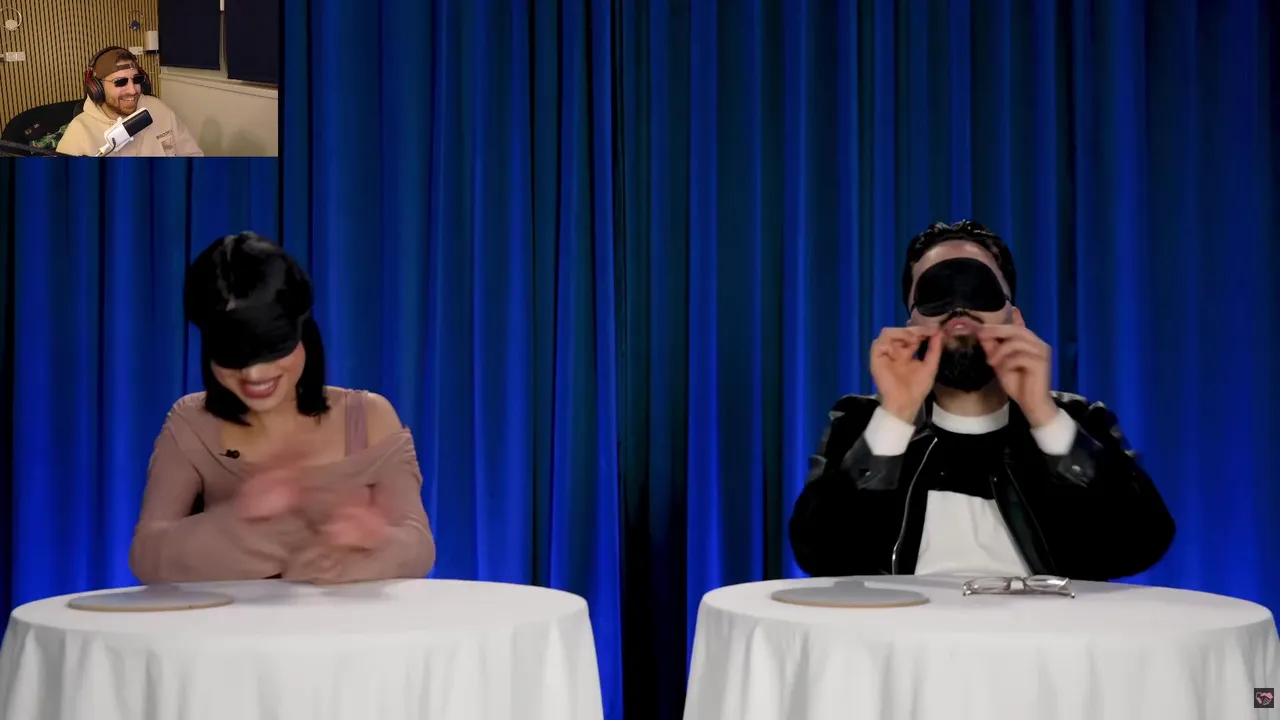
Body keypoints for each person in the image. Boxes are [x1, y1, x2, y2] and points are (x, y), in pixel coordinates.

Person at [789, 221, 1175, 582]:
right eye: (936, 294)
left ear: (1015, 319)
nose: (958, 312)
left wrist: (1044, 417)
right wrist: (896, 417)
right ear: (912, 326)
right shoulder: (860, 424)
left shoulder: (1080, 422)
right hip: (905, 628)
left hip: (1047, 628)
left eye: (979, 290)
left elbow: (1140, 543)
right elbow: (820, 555)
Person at [129, 232, 434, 584]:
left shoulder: (368, 417)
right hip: (233, 621)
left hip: (351, 621)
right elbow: (147, 557)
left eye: (270, 347)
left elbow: (417, 546)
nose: (253, 374)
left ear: (302, 332)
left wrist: (371, 546)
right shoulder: (191, 423)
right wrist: (250, 522)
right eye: (232, 354)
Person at [56, 46, 203, 157]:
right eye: (120, 82)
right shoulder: (78, 133)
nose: (132, 90)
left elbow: (194, 156)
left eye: (137, 80)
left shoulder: (159, 109)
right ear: (97, 88)